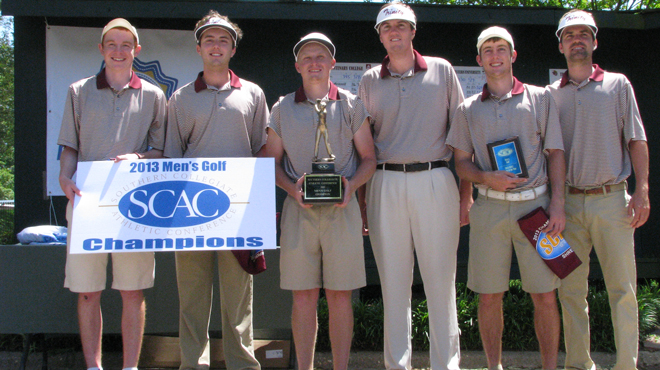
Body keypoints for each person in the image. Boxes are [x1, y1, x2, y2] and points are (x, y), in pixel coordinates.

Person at [357, 2, 469, 369]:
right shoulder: (369, 80)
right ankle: (397, 365)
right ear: (380, 36)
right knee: (393, 285)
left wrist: (465, 196)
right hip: (385, 182)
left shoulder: (442, 70)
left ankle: (446, 364)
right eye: (387, 27)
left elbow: (462, 136)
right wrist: (362, 204)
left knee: (440, 282)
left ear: (413, 32)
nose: (394, 32)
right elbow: (363, 148)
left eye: (401, 26)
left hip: (436, 179)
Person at [446, 26, 565, 370]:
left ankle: (549, 367)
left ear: (512, 55)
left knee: (544, 293)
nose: (495, 55)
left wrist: (557, 204)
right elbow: (461, 164)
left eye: (501, 49)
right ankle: (493, 365)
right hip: (489, 210)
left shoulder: (541, 98)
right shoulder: (467, 109)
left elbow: (555, 153)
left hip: (538, 207)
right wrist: (485, 177)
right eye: (488, 50)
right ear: (479, 59)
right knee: (489, 295)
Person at [57, 18, 167, 370]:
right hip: (87, 202)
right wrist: (63, 176)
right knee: (88, 291)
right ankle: (94, 366)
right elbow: (69, 147)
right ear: (101, 49)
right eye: (112, 44)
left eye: (126, 45)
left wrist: (139, 157)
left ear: (137, 50)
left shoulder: (153, 95)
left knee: (131, 292)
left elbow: (162, 151)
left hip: (135, 205)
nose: (119, 51)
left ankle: (130, 367)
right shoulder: (79, 91)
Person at [163, 11, 268, 370]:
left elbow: (261, 153)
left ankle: (242, 363)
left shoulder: (252, 93)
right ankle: (194, 364)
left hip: (239, 209)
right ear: (199, 48)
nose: (216, 45)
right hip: (189, 208)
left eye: (223, 40)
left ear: (233, 49)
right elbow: (172, 156)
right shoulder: (179, 98)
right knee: (191, 297)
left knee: (238, 298)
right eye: (209, 39)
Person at [264, 33, 376, 370]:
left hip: (343, 211)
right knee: (304, 296)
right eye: (307, 58)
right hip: (300, 211)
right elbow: (272, 163)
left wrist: (351, 186)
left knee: (341, 295)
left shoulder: (352, 105)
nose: (315, 63)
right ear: (297, 65)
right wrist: (292, 190)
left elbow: (369, 159)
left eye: (321, 57)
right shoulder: (282, 108)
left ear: (332, 64)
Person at [548, 10, 650, 370]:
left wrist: (642, 191)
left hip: (612, 202)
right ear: (560, 45)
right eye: (570, 35)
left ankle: (626, 364)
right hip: (568, 209)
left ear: (594, 41)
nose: (577, 39)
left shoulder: (618, 85)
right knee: (571, 292)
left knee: (623, 290)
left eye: (584, 34)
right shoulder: (550, 96)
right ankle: (579, 364)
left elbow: (636, 139)